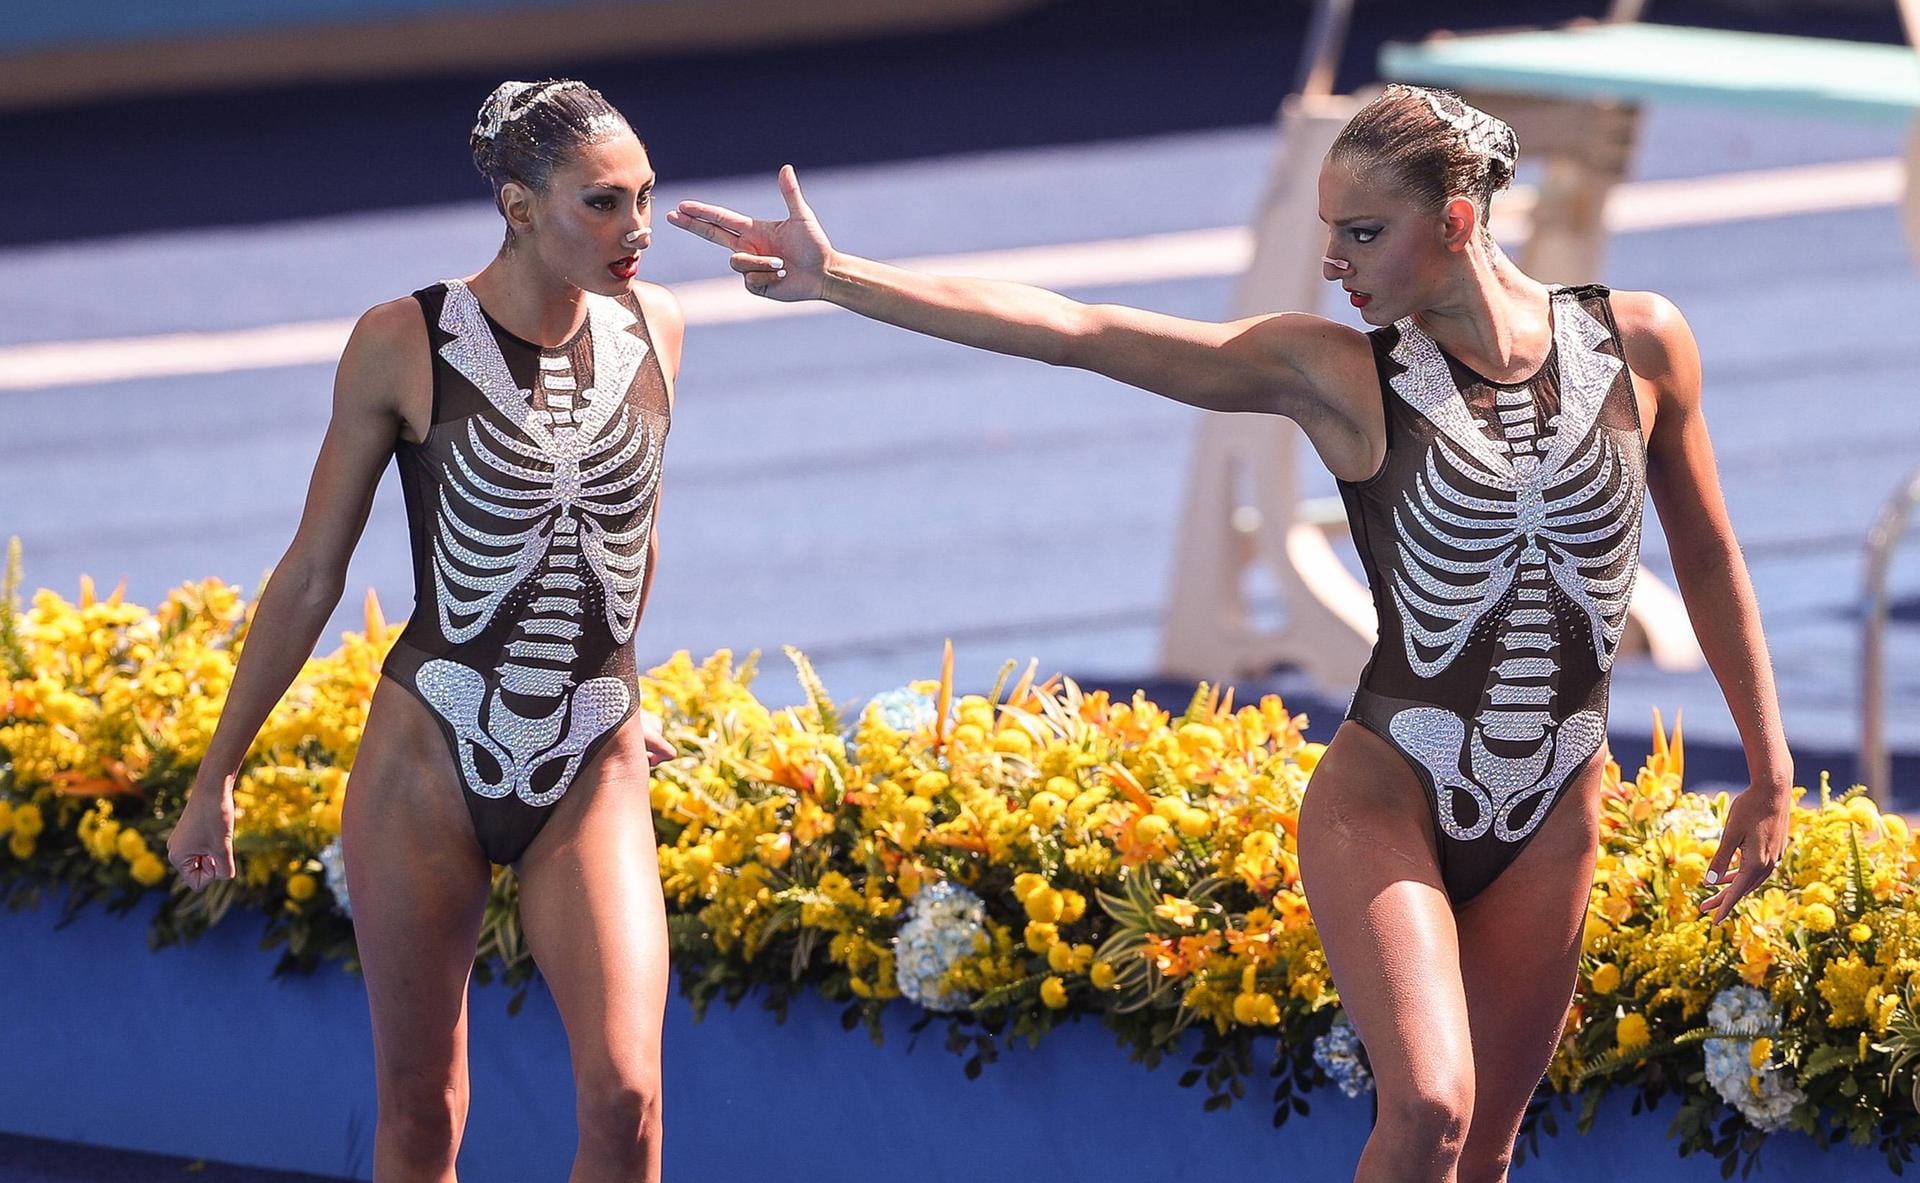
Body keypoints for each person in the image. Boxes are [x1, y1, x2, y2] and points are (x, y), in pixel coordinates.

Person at [667, 84, 1793, 1182]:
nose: (1334, 262)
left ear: (1457, 221)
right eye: (1329, 233)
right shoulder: (1338, 372)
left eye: (1363, 232)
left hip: (1554, 809)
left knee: (1486, 1150)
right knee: (1432, 1109)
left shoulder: (1641, 343)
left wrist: (1770, 765)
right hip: (1388, 798)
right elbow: (1084, 330)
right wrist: (841, 276)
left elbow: (1704, 553)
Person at [167, 79, 681, 1183]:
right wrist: (218, 773)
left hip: (590, 755)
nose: (635, 228)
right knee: (419, 1111)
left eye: (644, 197)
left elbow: (630, 523)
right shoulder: (402, 339)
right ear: (517, 204)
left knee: (627, 1093)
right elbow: (312, 572)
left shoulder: (658, 326)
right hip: (428, 757)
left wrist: (627, 679)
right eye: (602, 203)